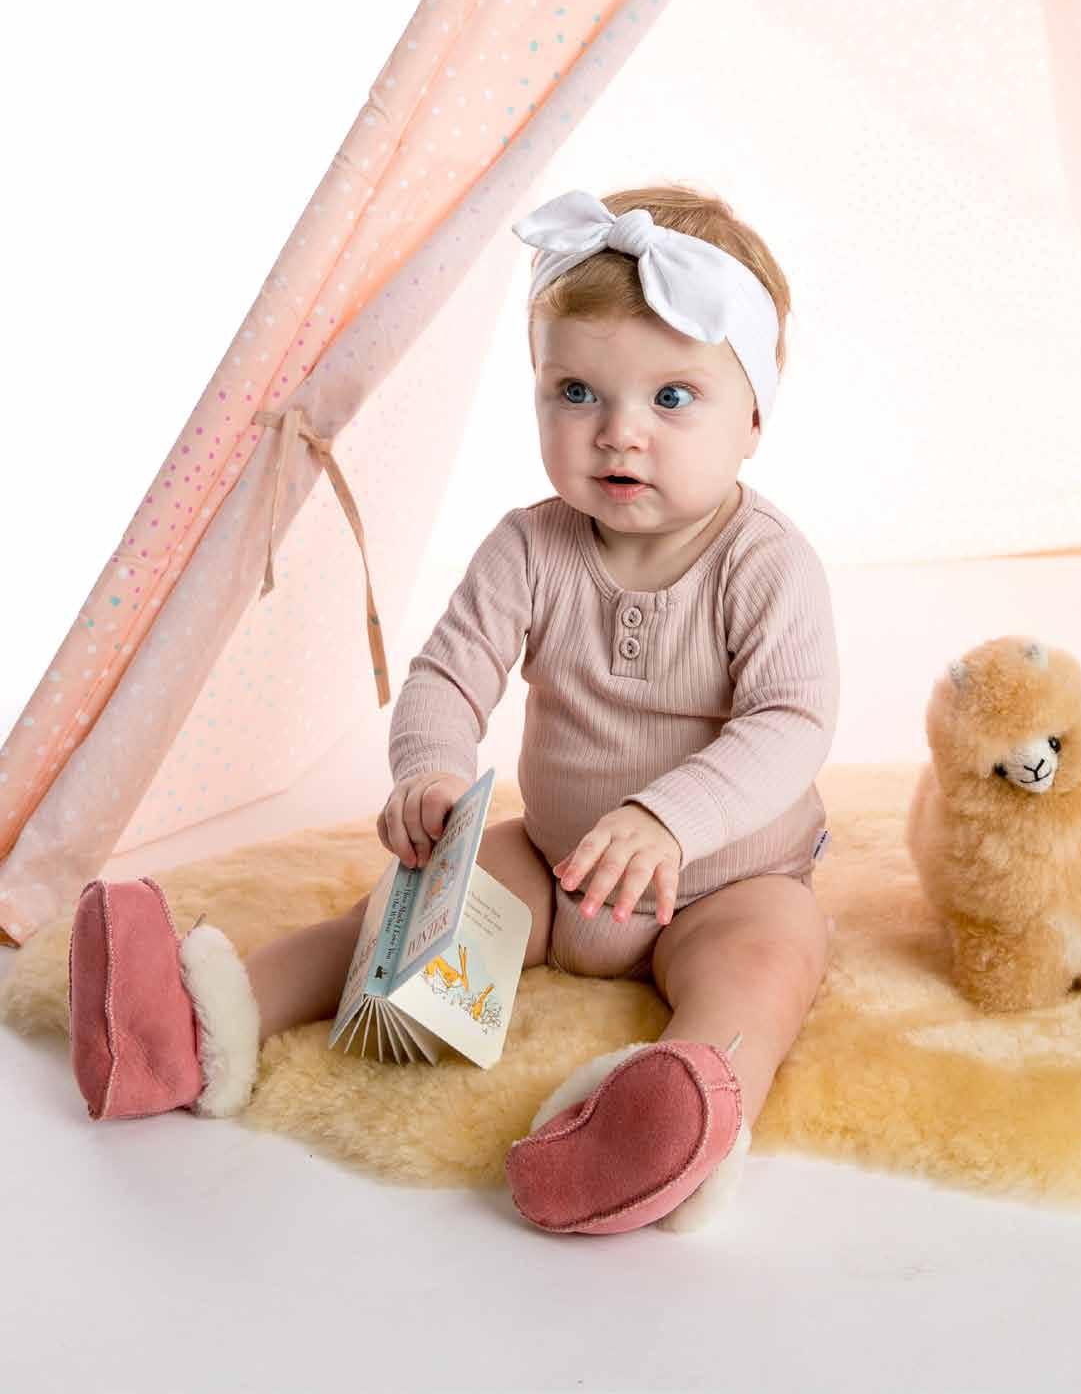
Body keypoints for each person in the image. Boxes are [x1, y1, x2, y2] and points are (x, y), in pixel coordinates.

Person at [67, 184, 840, 1236]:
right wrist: (429, 771)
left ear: (753, 416)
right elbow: (447, 674)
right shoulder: (530, 545)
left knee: (769, 962)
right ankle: (195, 1021)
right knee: (403, 911)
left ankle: (678, 1112)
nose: (618, 434)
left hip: (724, 878)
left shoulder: (766, 564)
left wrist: (670, 820)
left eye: (672, 397)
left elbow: (790, 723)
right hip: (559, 860)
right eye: (576, 391)